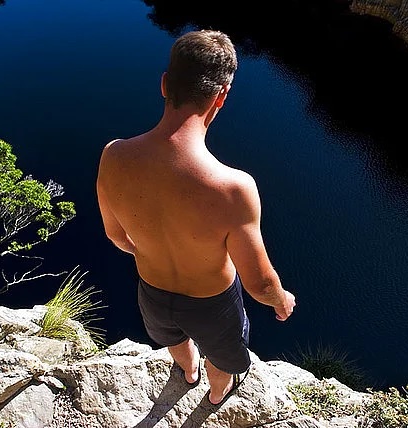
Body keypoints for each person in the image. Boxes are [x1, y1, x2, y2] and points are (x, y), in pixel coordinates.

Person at [96, 29, 296, 406]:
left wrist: (152, 251)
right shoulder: (232, 188)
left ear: (164, 84)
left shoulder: (114, 156)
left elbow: (117, 237)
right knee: (224, 356)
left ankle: (188, 374)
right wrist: (281, 300)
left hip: (152, 291)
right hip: (212, 304)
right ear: (222, 96)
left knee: (172, 337)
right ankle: (216, 395)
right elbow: (258, 283)